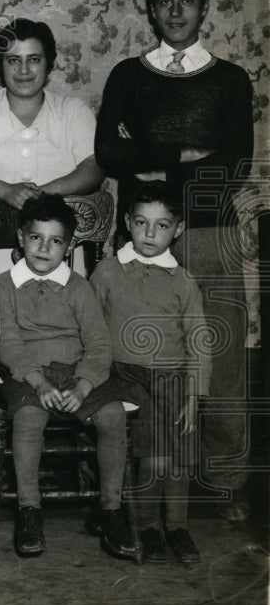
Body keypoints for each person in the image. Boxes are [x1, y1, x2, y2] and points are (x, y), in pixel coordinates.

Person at [95, 0, 253, 521]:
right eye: (166, 1)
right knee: (142, 355)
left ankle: (225, 480)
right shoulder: (127, 76)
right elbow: (110, 155)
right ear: (151, 9)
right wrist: (187, 156)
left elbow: (235, 166)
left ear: (205, 7)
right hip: (142, 236)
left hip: (212, 233)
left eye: (188, 0)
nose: (177, 11)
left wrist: (154, 165)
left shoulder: (230, 79)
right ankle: (145, 482)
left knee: (221, 356)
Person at [0, 194, 133, 560]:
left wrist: (83, 386)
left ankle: (110, 510)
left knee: (113, 415)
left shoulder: (79, 287)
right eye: (35, 238)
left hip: (77, 372)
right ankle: (29, 509)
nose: (44, 248)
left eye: (55, 241)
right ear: (21, 238)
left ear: (68, 246)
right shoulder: (4, 285)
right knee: (28, 418)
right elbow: (8, 341)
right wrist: (38, 381)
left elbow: (99, 345)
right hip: (28, 374)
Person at [91, 182, 211, 564]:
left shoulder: (183, 281)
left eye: (162, 225)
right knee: (153, 451)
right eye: (141, 222)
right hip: (124, 376)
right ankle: (147, 527)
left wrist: (193, 396)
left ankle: (177, 526)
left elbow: (199, 341)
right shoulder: (107, 271)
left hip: (173, 376)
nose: (149, 233)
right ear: (127, 222)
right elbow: (89, 326)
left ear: (178, 229)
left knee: (180, 450)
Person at [0, 17, 103, 211]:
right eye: (13, 60)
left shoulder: (73, 110)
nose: (24, 70)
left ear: (47, 64)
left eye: (34, 60)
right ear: (0, 65)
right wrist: (6, 191)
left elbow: (94, 167)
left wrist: (42, 194)